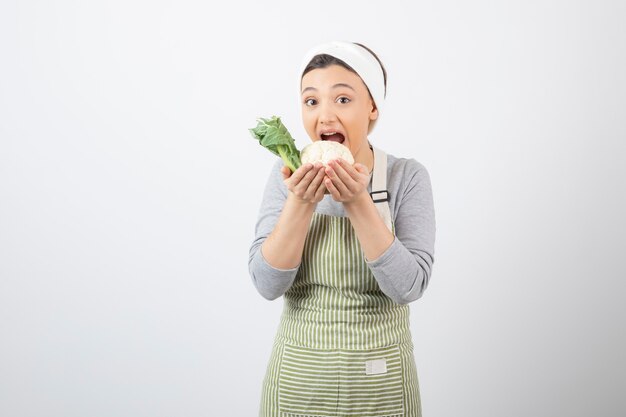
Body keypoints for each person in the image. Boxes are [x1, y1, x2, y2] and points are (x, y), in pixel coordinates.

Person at [248, 40, 436, 417]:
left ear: (372, 108)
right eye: (311, 101)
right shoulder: (286, 175)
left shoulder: (405, 177)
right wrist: (301, 203)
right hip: (298, 383)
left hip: (381, 384)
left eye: (343, 100)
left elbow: (409, 287)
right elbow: (267, 284)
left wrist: (359, 203)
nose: (325, 116)